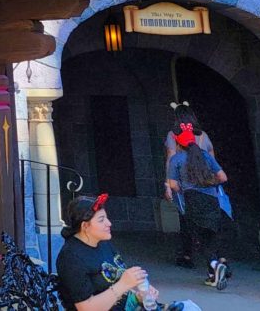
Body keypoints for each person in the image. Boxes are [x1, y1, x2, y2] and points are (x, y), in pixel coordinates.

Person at [55, 193, 202, 311]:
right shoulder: (71, 258)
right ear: (85, 226)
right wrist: (123, 285)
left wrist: (140, 294)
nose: (109, 223)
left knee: (190, 308)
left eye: (106, 218)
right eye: (101, 220)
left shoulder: (103, 243)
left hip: (129, 306)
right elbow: (86, 308)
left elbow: (117, 279)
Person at [166, 124, 231, 290]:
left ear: (179, 144)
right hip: (211, 198)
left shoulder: (177, 159)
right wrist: (208, 183)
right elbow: (223, 177)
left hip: (192, 199)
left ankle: (214, 264)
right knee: (212, 233)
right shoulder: (205, 156)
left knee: (198, 237)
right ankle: (213, 274)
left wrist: (183, 188)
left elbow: (173, 185)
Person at [163, 102, 215, 267]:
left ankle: (188, 254)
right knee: (207, 218)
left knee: (186, 218)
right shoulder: (202, 135)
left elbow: (171, 158)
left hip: (184, 182)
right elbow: (211, 157)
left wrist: (168, 184)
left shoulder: (173, 135)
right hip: (204, 181)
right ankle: (214, 257)